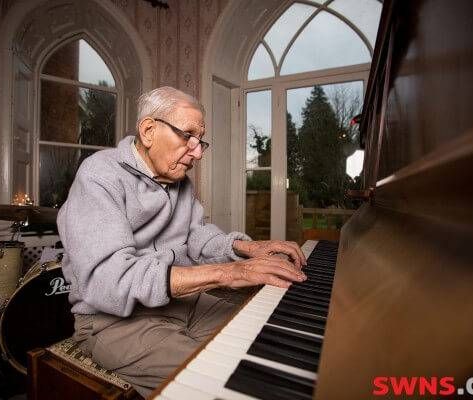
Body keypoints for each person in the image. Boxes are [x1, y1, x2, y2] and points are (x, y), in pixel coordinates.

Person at [57, 86, 307, 397]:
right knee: (229, 383)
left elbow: (196, 235)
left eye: (200, 141)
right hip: (114, 322)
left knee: (264, 343)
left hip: (180, 304)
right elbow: (111, 280)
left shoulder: (178, 181)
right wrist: (232, 273)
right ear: (149, 130)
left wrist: (247, 248)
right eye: (187, 135)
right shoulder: (99, 175)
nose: (197, 152)